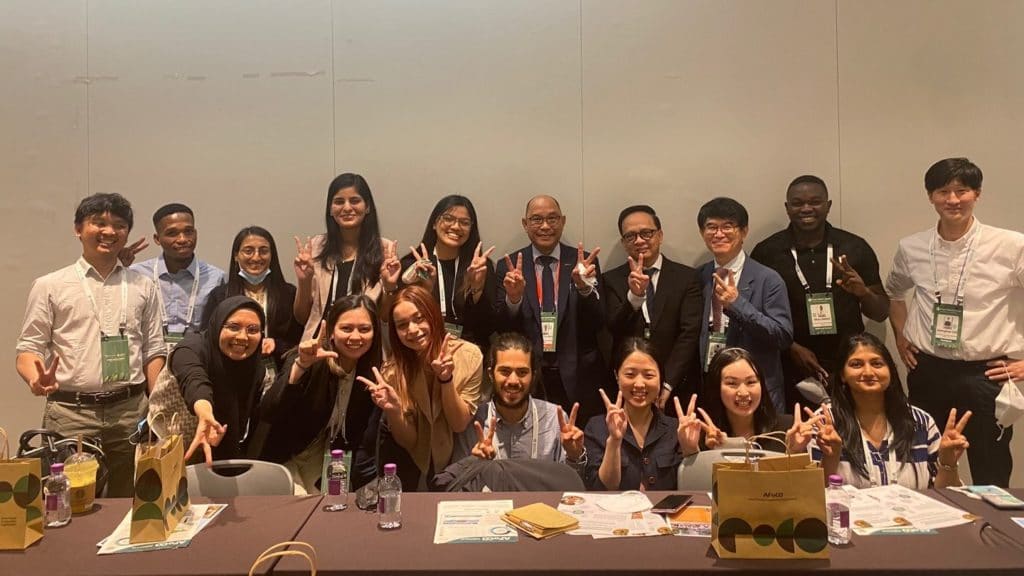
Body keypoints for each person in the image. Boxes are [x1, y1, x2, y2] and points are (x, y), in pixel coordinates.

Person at [16, 193, 166, 497]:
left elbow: (153, 349)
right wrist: (35, 379)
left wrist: (157, 405)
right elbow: (29, 347)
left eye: (119, 225)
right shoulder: (50, 285)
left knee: (133, 500)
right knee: (70, 501)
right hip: (71, 413)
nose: (109, 231)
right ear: (78, 229)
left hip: (130, 411)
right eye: (99, 223)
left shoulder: (143, 286)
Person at [886, 157, 1024, 487]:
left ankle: (991, 521)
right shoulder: (912, 247)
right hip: (928, 371)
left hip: (986, 374)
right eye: (943, 191)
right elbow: (894, 292)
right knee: (923, 463)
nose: (952, 200)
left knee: (990, 467)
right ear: (930, 196)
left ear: (977, 194)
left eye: (962, 191)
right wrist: (902, 336)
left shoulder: (1011, 245)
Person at [751, 176, 889, 405]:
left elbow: (881, 312)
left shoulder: (854, 247)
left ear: (828, 205)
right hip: (790, 364)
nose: (806, 208)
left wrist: (863, 292)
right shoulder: (767, 252)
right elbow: (757, 315)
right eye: (797, 203)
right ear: (787, 208)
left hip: (849, 363)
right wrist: (790, 347)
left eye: (815, 202)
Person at [495, 195, 609, 421]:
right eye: (537, 219)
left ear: (563, 221)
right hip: (529, 374)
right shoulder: (509, 265)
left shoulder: (584, 262)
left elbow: (599, 322)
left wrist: (583, 288)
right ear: (525, 224)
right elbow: (501, 328)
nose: (545, 226)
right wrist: (514, 299)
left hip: (578, 375)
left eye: (552, 218)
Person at [358, 285, 482, 490]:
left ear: (433, 315)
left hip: (461, 457)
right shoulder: (392, 372)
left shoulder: (469, 356)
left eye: (419, 318)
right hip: (413, 465)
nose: (413, 330)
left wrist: (446, 380)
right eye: (402, 325)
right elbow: (410, 441)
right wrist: (394, 411)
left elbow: (459, 423)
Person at [810, 333, 971, 489]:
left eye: (877, 364)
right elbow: (813, 495)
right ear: (842, 375)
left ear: (890, 371)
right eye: (856, 364)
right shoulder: (824, 422)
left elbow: (944, 495)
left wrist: (948, 463)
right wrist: (831, 457)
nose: (868, 372)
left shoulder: (921, 422)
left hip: (913, 508)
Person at [259, 295, 381, 494]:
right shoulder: (311, 358)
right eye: (346, 328)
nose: (355, 337)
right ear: (331, 331)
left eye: (364, 329)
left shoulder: (372, 373)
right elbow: (268, 410)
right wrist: (301, 366)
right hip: (286, 457)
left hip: (328, 461)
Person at [696, 197, 792, 413]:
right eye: (711, 227)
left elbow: (783, 335)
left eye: (727, 226)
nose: (719, 234)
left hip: (757, 392)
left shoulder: (768, 279)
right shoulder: (698, 276)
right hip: (712, 389)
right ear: (702, 233)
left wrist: (736, 304)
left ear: (744, 231)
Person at [603, 204, 703, 411]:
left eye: (646, 233)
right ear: (623, 242)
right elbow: (613, 329)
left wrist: (667, 384)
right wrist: (635, 297)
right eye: (631, 236)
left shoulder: (686, 278)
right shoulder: (611, 279)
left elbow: (689, 334)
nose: (639, 240)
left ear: (660, 235)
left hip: (676, 387)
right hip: (629, 387)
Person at [451, 332, 586, 471]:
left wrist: (574, 456)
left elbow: (569, 480)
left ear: (533, 376)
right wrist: (476, 466)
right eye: (505, 371)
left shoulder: (554, 419)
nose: (513, 381)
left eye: (522, 372)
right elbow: (456, 480)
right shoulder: (474, 422)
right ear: (491, 374)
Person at [293, 173, 398, 340]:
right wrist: (304, 281)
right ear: (330, 209)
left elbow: (385, 318)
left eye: (355, 201)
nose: (347, 208)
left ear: (367, 207)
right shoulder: (316, 247)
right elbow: (302, 318)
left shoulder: (385, 250)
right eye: (339, 202)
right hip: (320, 344)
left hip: (363, 344)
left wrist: (390, 286)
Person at [583, 338, 688, 491]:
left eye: (649, 375)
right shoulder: (596, 427)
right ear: (617, 376)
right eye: (630, 374)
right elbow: (601, 489)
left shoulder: (676, 429)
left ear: (661, 378)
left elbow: (692, 490)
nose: (639, 384)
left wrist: (691, 451)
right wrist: (614, 441)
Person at [172, 296, 266, 465]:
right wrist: (205, 413)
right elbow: (194, 380)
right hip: (173, 451)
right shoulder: (190, 349)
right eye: (234, 327)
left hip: (224, 456)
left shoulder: (256, 368)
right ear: (218, 324)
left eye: (252, 330)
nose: (243, 336)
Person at [399, 195, 497, 347]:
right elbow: (403, 321)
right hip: (424, 349)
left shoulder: (480, 266)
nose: (456, 227)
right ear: (434, 223)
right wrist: (426, 289)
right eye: (448, 218)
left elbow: (488, 328)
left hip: (471, 351)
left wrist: (477, 289)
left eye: (464, 222)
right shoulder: (415, 267)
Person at [203, 226, 303, 371]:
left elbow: (299, 340)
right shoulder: (220, 296)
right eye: (248, 251)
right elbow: (209, 339)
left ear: (272, 255)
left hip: (281, 371)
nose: (256, 257)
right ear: (236, 256)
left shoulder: (289, 294)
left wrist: (277, 345)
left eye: (263, 251)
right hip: (232, 371)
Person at [127, 203, 226, 344]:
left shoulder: (216, 278)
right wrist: (115, 262)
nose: (182, 239)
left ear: (196, 233)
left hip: (197, 355)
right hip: (149, 354)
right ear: (157, 239)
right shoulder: (137, 275)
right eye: (172, 233)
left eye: (188, 231)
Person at [682, 347, 798, 454]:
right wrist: (692, 450)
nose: (743, 393)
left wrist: (795, 452)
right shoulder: (698, 436)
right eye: (732, 383)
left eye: (751, 382)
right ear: (716, 388)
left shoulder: (787, 429)